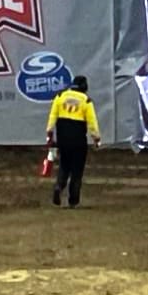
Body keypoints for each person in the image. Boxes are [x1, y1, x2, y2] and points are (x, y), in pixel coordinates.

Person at [45, 75, 101, 208]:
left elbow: (52, 116)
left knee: (64, 165)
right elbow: (92, 123)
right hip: (78, 140)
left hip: (63, 138)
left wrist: (49, 133)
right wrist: (96, 138)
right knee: (77, 170)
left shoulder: (60, 96)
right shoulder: (86, 100)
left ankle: (59, 186)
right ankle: (73, 200)